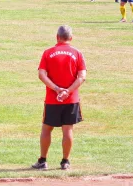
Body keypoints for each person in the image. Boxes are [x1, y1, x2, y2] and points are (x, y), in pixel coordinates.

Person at [32, 25, 87, 171]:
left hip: (52, 99)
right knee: (68, 129)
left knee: (46, 129)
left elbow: (41, 74)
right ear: (71, 38)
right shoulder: (78, 53)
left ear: (57, 37)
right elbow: (82, 77)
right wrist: (68, 91)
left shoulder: (48, 53)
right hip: (71, 99)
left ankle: (43, 161)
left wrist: (56, 89)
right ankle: (65, 162)